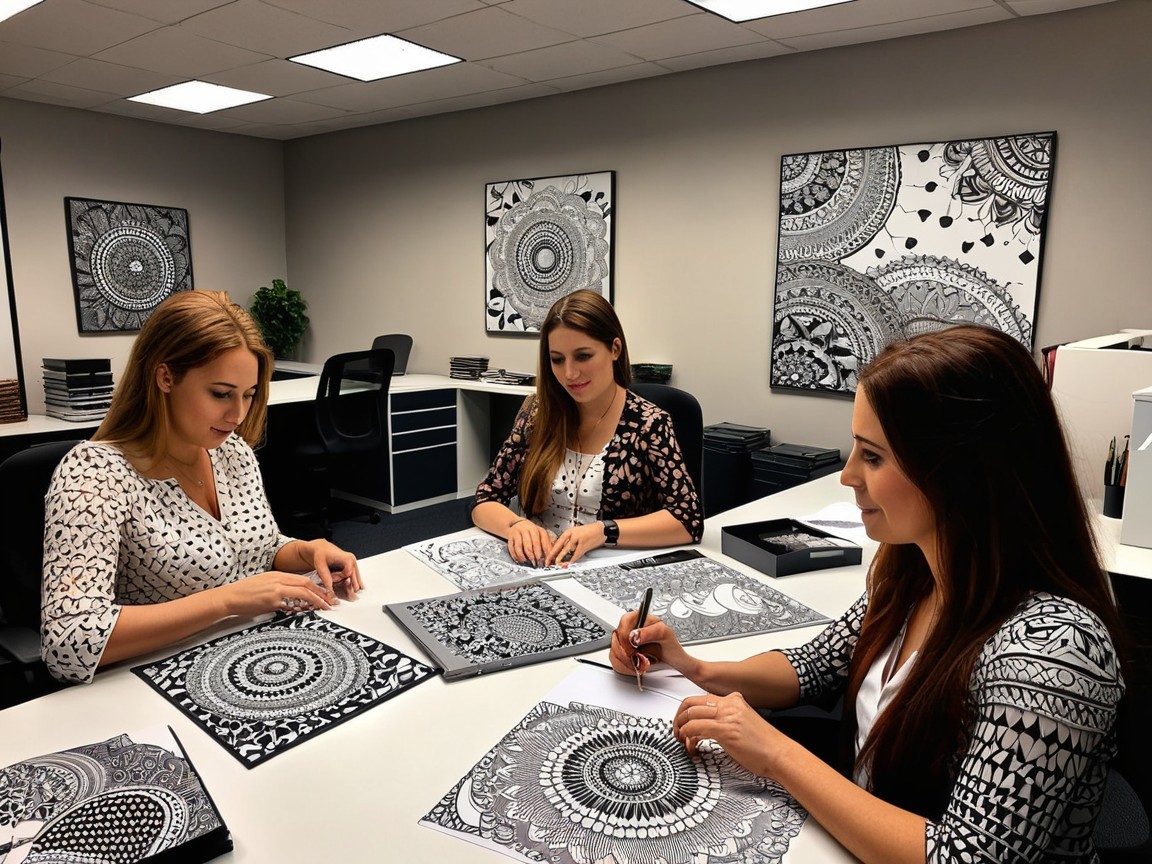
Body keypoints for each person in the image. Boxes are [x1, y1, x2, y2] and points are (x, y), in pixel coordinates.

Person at [610, 325, 1125, 863]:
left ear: (961, 473)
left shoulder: (1054, 649)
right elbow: (815, 667)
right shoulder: (914, 570)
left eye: (873, 457)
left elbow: (965, 858)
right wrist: (691, 667)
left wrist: (778, 756)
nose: (847, 476)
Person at [41, 290, 363, 685]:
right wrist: (225, 601)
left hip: (255, 658)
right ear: (166, 377)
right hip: (155, 679)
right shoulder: (94, 475)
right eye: (221, 394)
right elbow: (68, 641)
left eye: (249, 395)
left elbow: (253, 547)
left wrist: (303, 549)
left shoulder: (231, 452)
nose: (238, 414)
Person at [473, 289, 703, 567]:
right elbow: (486, 499)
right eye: (557, 359)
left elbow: (687, 520)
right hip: (537, 569)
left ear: (614, 349)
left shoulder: (649, 423)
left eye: (583, 356)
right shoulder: (538, 412)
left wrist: (603, 532)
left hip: (609, 574)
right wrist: (514, 526)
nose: (569, 373)